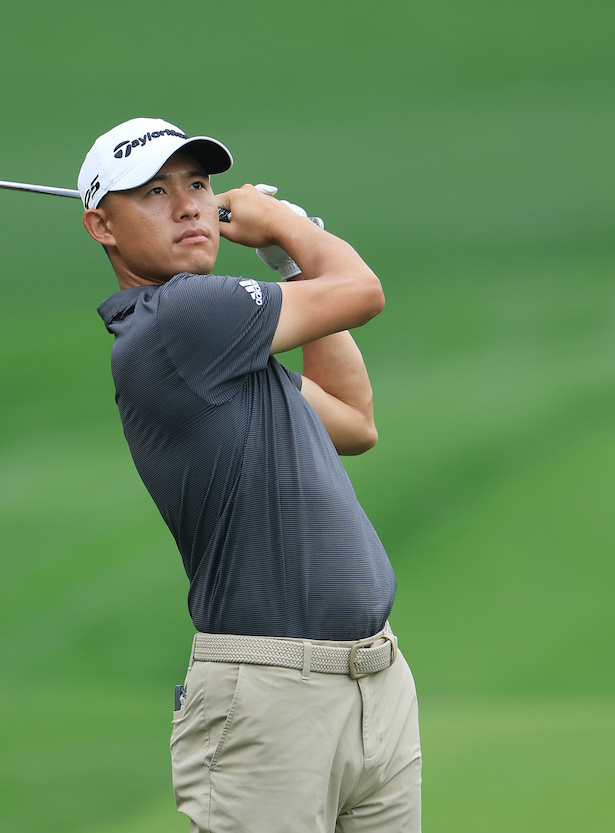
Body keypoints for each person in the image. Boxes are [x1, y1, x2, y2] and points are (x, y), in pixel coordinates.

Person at [79, 117, 421, 832]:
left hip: (373, 686)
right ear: (101, 226)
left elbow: (355, 422)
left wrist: (291, 266)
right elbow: (362, 289)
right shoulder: (181, 322)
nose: (188, 206)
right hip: (272, 698)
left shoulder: (223, 357)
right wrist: (291, 227)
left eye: (197, 185)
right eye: (152, 192)